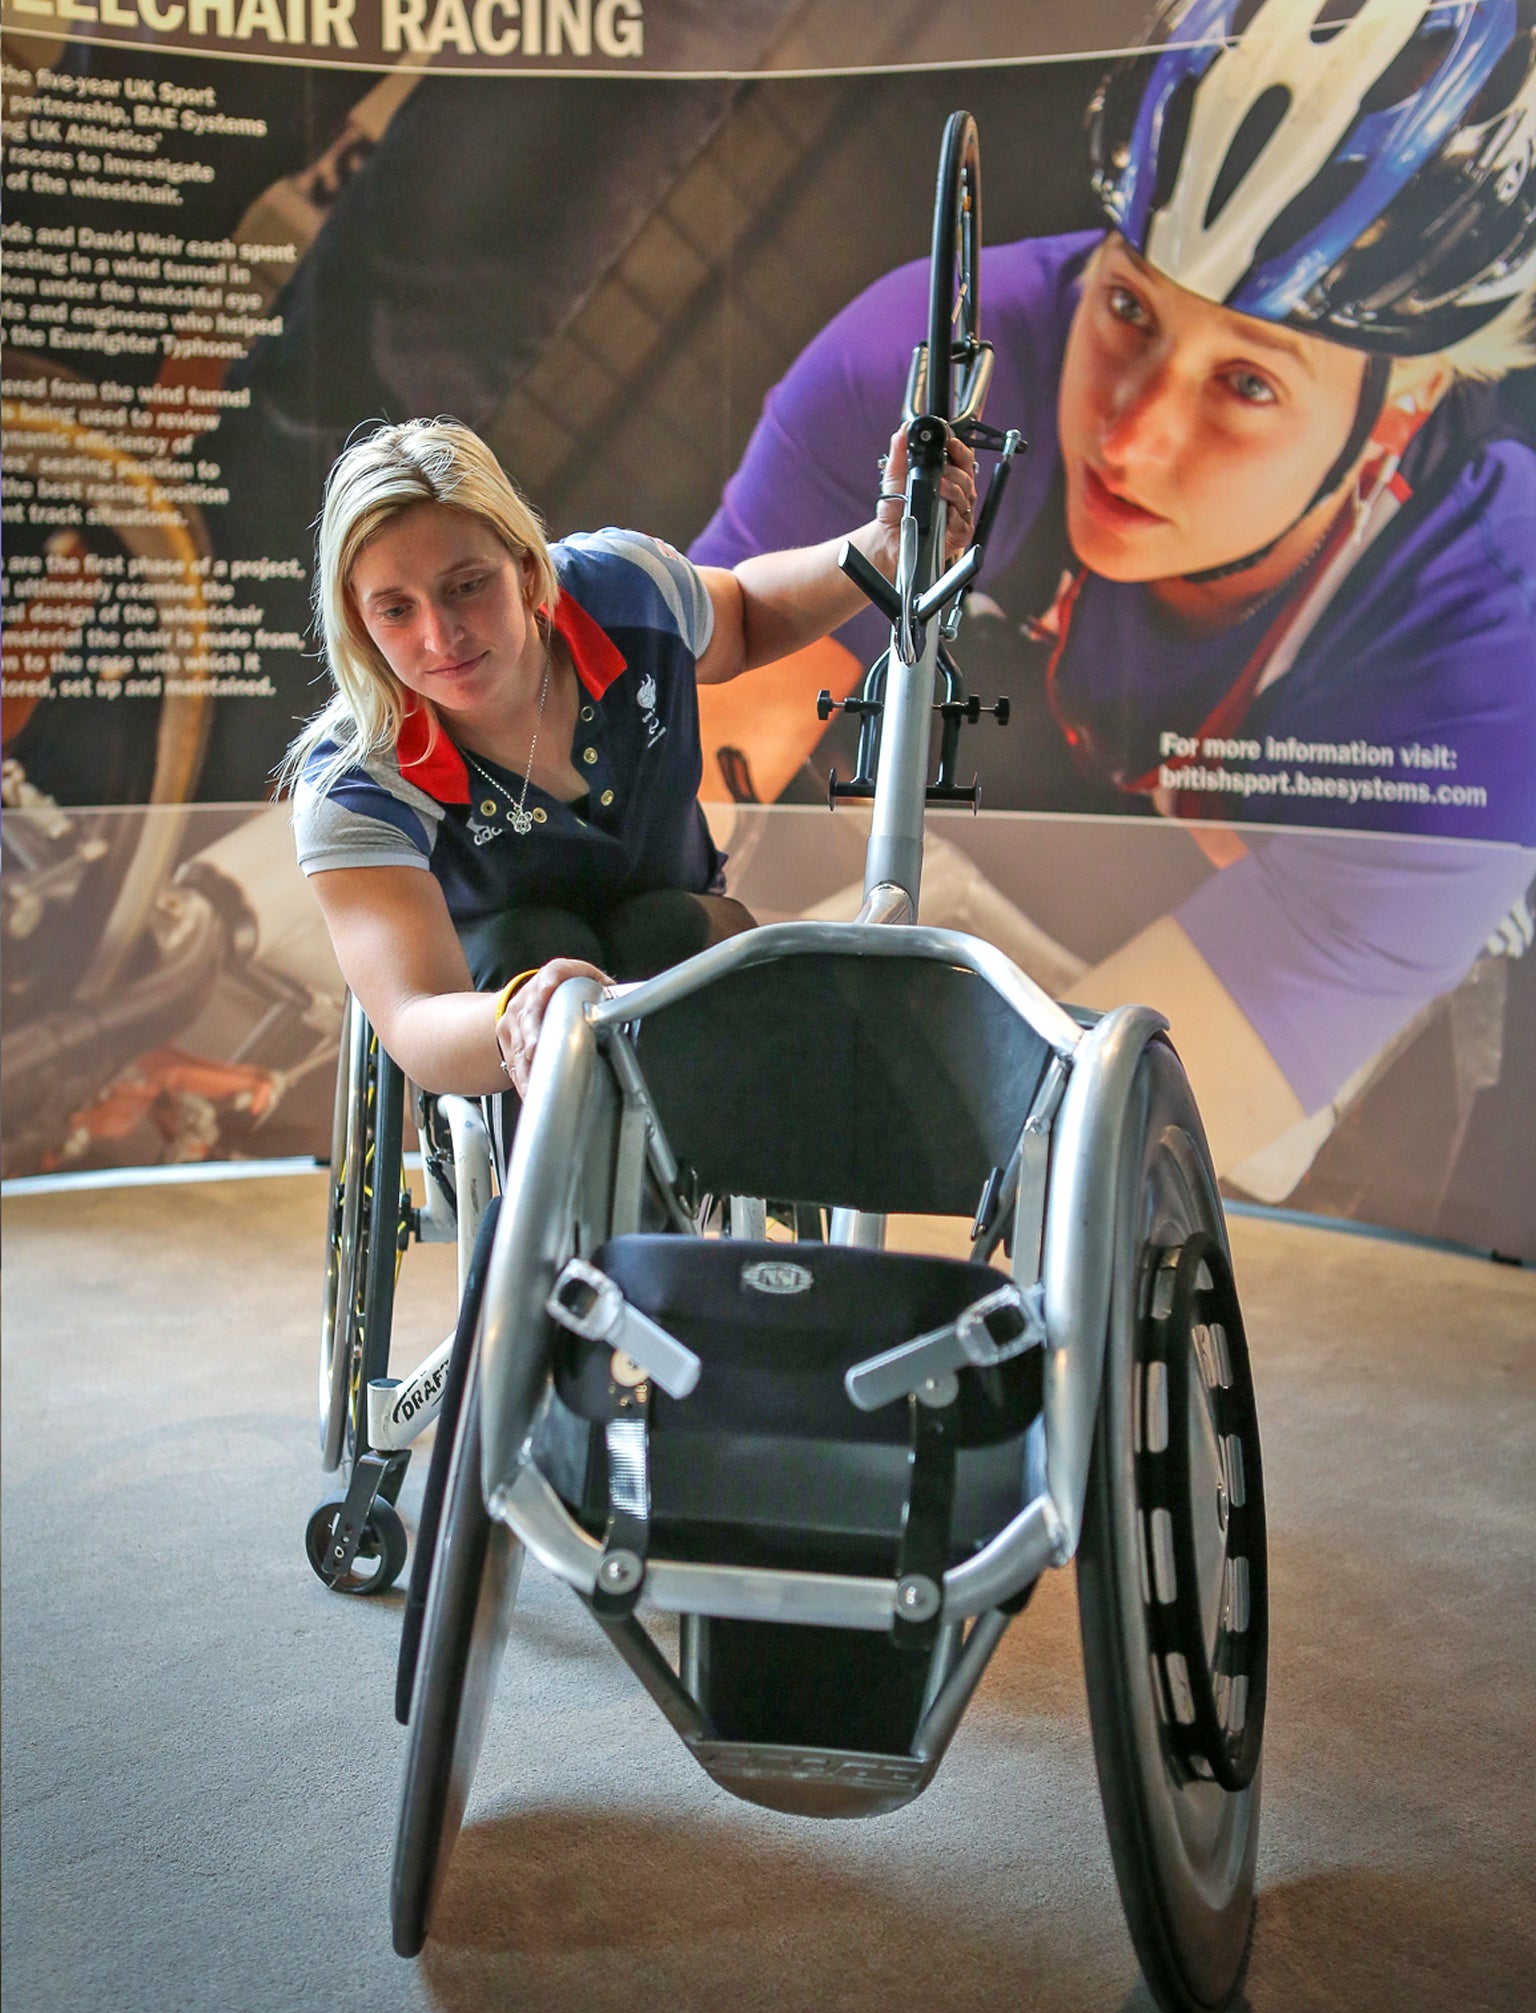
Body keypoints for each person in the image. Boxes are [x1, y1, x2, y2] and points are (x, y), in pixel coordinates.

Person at [691, 0, 1536, 1195]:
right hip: (1068, 824)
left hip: (1359, 981)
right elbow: (692, 769)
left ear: (1403, 404)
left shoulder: (1489, 664)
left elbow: (1067, 1175)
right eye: (1129, 305)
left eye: (1245, 381)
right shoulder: (924, 369)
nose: (1128, 434)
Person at [285, 415, 975, 1126]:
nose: (440, 636)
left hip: (674, 939)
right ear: (357, 620)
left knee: (668, 929)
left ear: (526, 569)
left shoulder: (625, 589)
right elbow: (413, 1017)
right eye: (396, 610)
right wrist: (522, 1013)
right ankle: (560, 1224)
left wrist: (884, 548)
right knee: (529, 952)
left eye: (466, 586)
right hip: (502, 1010)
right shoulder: (355, 782)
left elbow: (739, 617)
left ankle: (705, 1184)